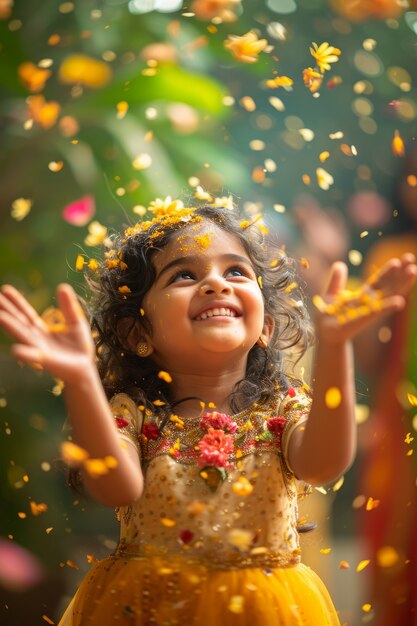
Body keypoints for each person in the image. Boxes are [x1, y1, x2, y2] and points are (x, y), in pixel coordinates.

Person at [0, 201, 415, 626]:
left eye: (235, 271)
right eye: (184, 275)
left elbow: (323, 463)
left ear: (266, 328)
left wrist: (334, 347)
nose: (217, 284)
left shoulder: (279, 409)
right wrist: (81, 379)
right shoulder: (135, 415)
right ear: (137, 333)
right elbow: (115, 489)